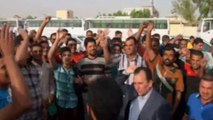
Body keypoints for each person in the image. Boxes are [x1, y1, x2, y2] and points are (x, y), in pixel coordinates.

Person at [0, 25, 32, 120]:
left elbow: (19, 60)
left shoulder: (10, 90)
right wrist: (9, 56)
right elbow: (23, 104)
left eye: (10, 66)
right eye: (4, 67)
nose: (10, 69)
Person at [48, 30, 78, 120]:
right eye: (64, 55)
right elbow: (50, 56)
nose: (67, 57)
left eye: (69, 55)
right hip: (61, 102)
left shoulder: (75, 69)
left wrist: (80, 82)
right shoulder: (57, 68)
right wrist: (57, 40)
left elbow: (80, 82)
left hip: (73, 102)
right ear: (60, 57)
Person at [154, 45, 184, 114]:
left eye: (171, 55)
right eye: (165, 55)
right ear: (162, 57)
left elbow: (178, 94)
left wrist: (173, 110)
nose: (167, 57)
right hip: (152, 104)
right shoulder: (157, 67)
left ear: (174, 58)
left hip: (166, 107)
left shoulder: (178, 73)